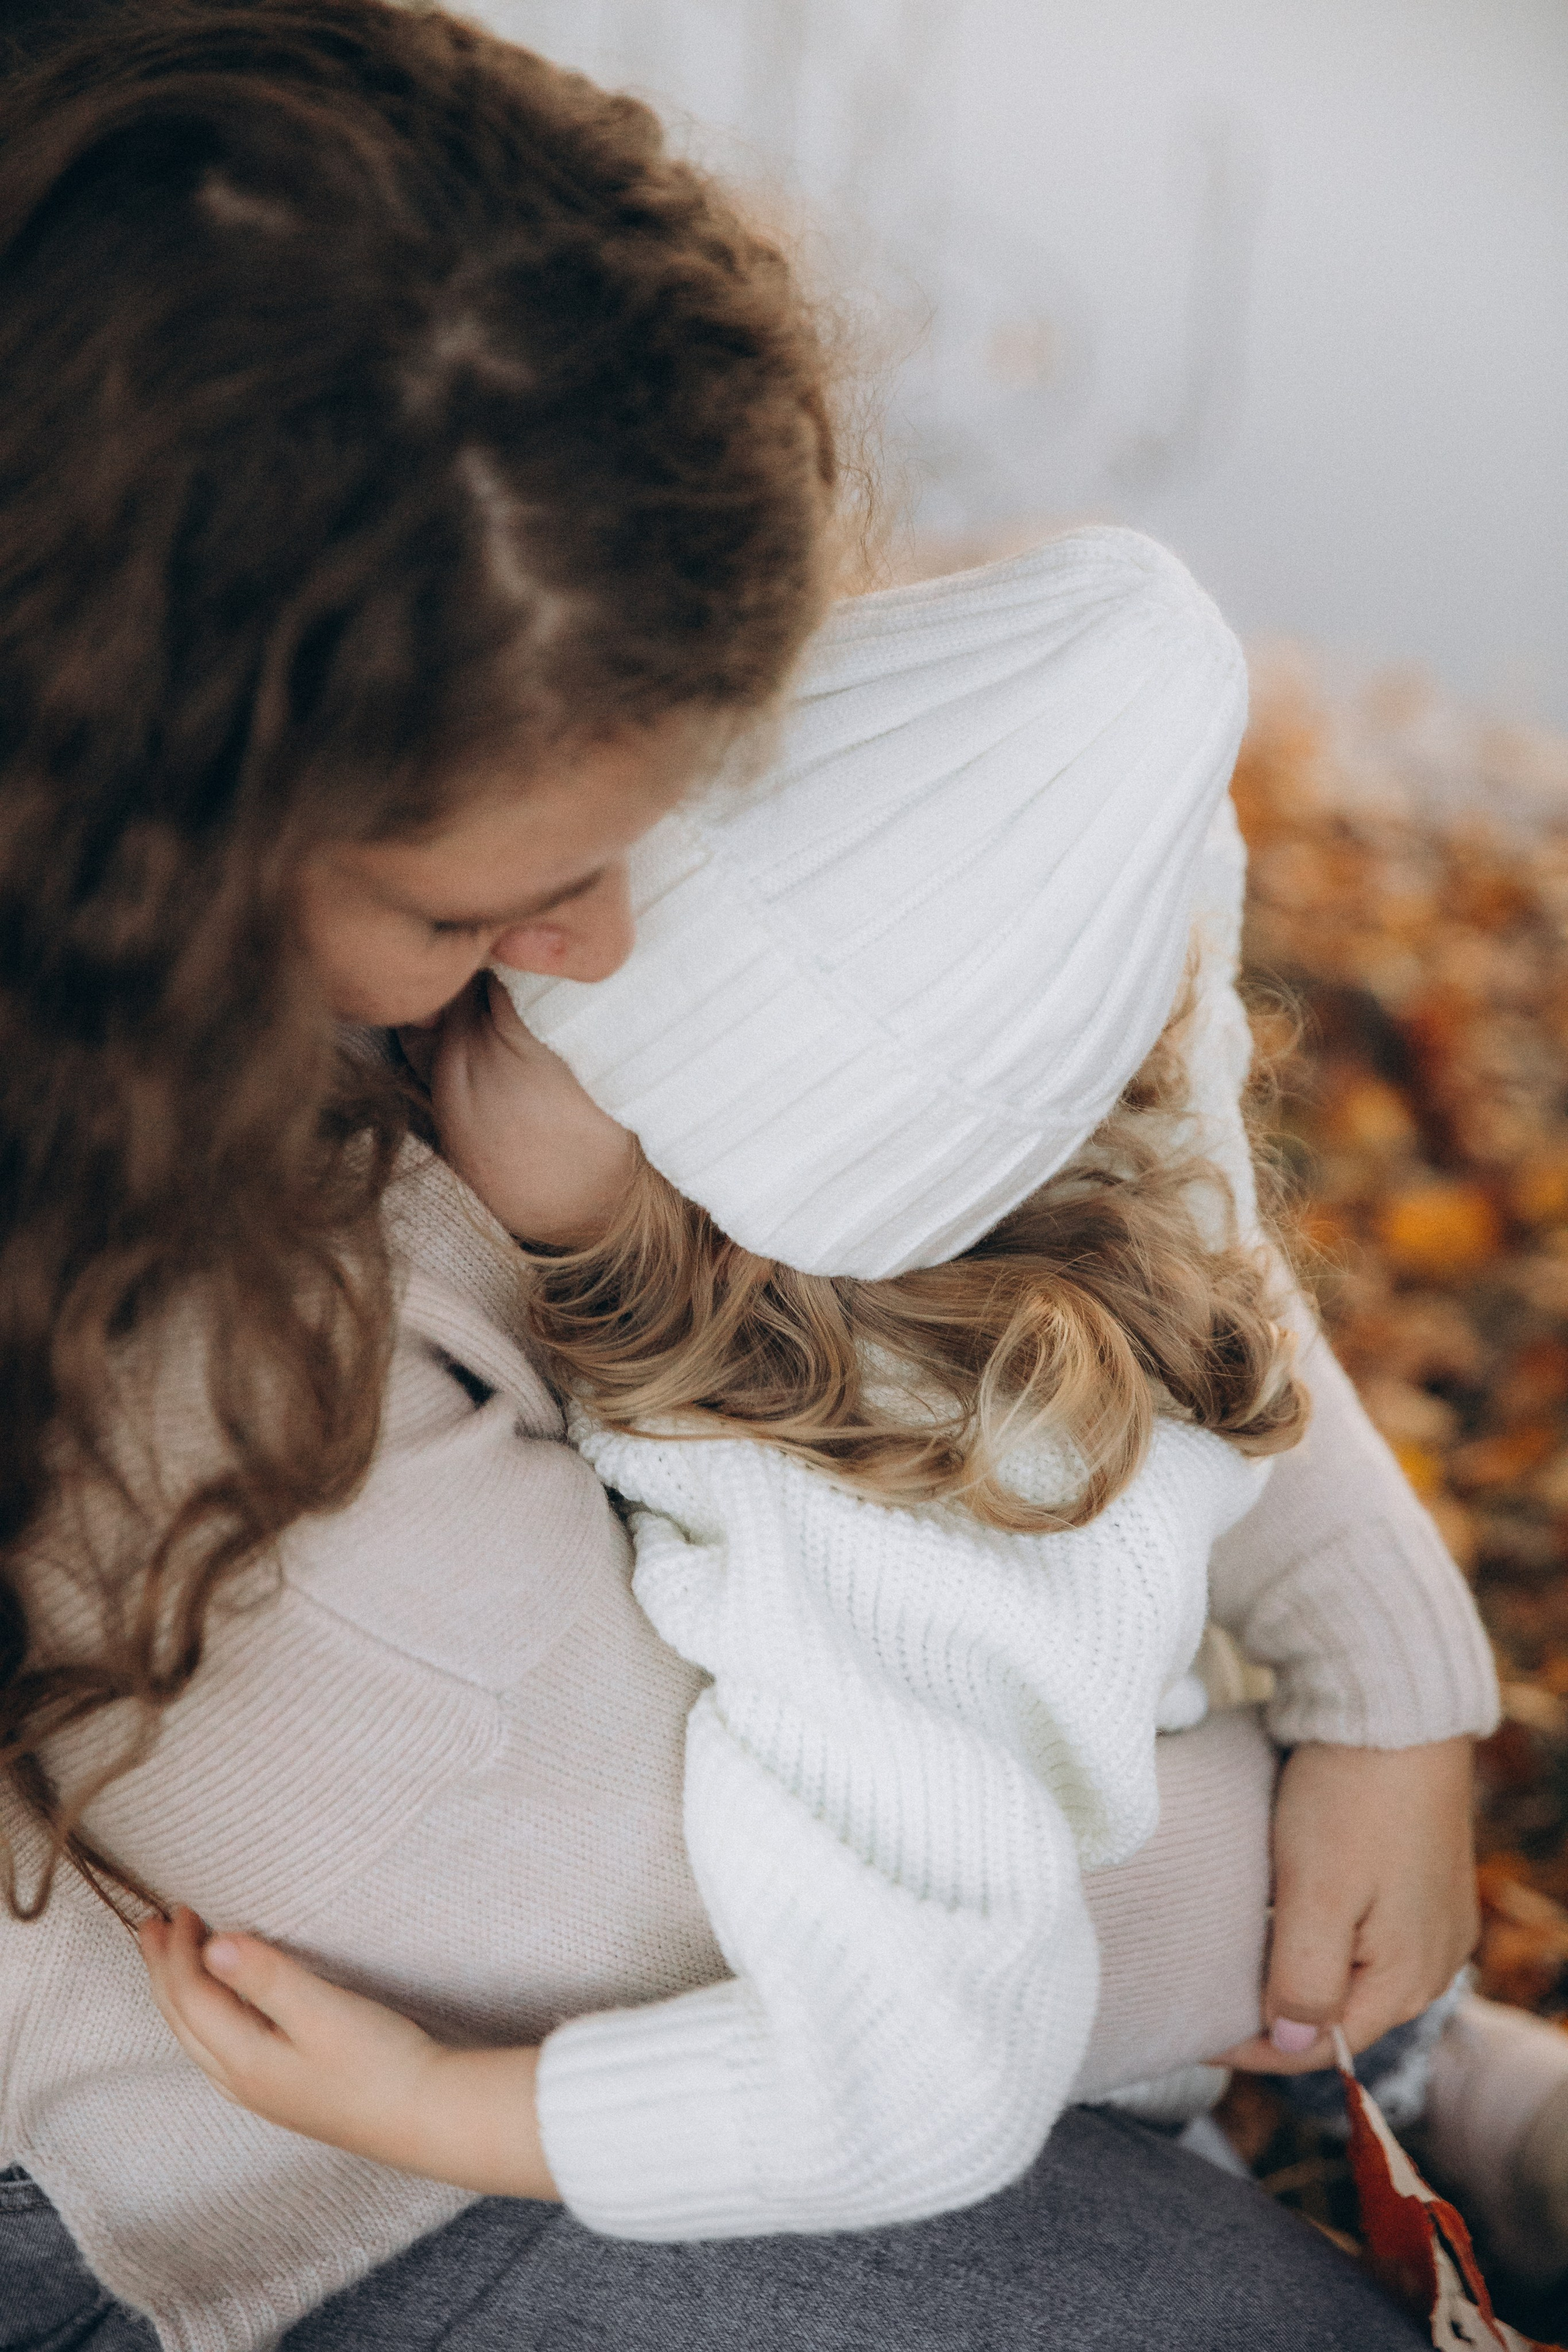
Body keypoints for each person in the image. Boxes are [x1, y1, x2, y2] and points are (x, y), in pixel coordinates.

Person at [0, 1, 1519, 2346]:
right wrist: (1291, 1931)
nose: (606, 946)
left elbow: (1080, 1116)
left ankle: (1391, 2078)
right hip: (323, 2117)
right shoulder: (153, 1338)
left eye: (674, 817)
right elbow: (657, 1937)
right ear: (146, 826)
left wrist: (1385, 1659)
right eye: (470, 922)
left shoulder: (528, 687)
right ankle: (1366, 2077)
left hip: (921, 1874)